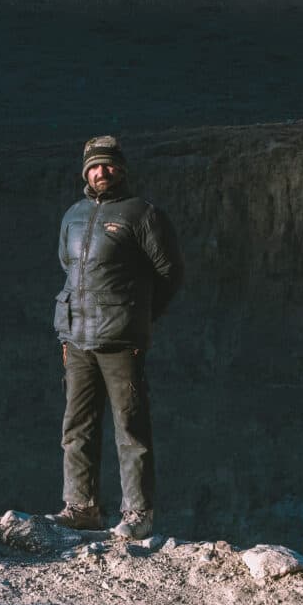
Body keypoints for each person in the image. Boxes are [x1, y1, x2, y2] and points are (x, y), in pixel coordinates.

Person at [47, 135, 184, 540]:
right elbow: (67, 267)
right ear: (85, 171)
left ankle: (138, 515)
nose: (101, 172)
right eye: (94, 166)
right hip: (76, 339)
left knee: (131, 430)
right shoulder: (72, 215)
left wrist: (139, 317)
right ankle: (82, 507)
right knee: (76, 427)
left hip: (122, 341)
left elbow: (169, 274)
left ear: (121, 169)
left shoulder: (143, 214)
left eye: (108, 165)